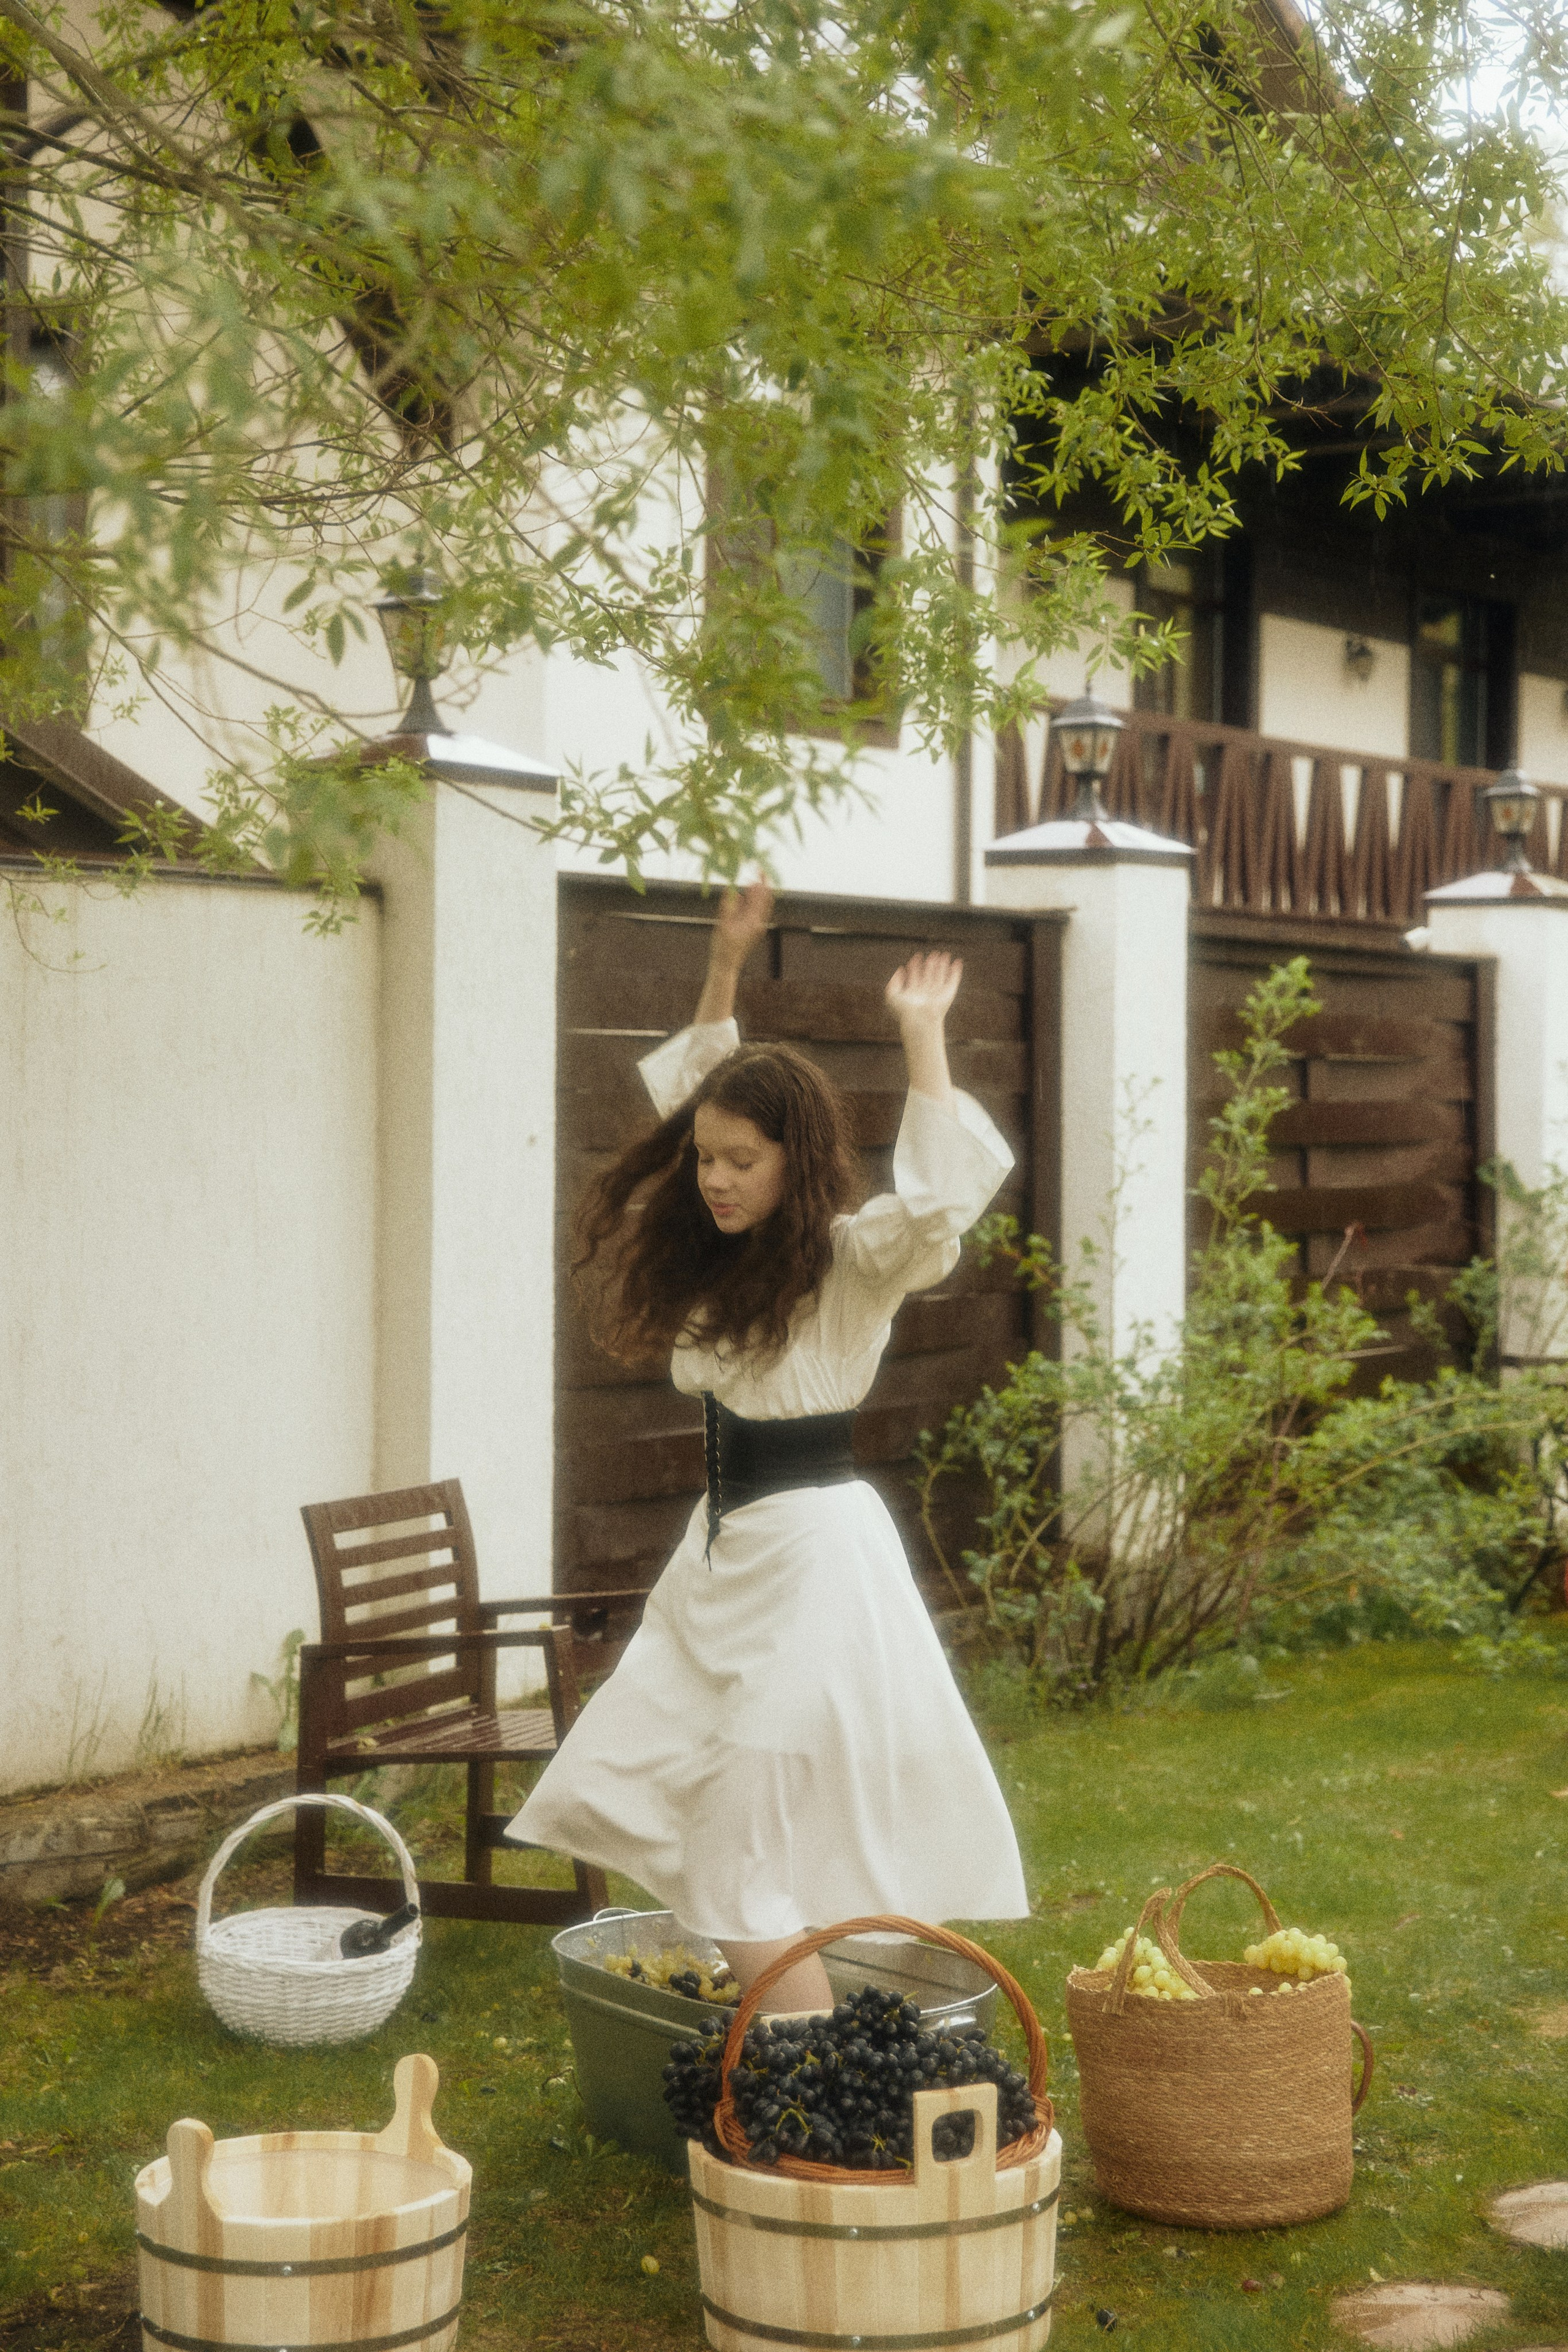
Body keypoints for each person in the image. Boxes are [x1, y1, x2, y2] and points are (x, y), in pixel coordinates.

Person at [509, 880, 1027, 2011]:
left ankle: (813, 2062)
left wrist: (923, 1037)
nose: (717, 1177)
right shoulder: (724, 1261)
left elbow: (939, 1205)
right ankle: (836, 2028)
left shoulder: (853, 1261)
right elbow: (705, 1091)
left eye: (743, 1160)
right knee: (689, 1790)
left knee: (746, 1828)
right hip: (725, 1556)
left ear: (796, 1160)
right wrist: (725, 966)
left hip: (814, 1564)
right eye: (707, 1161)